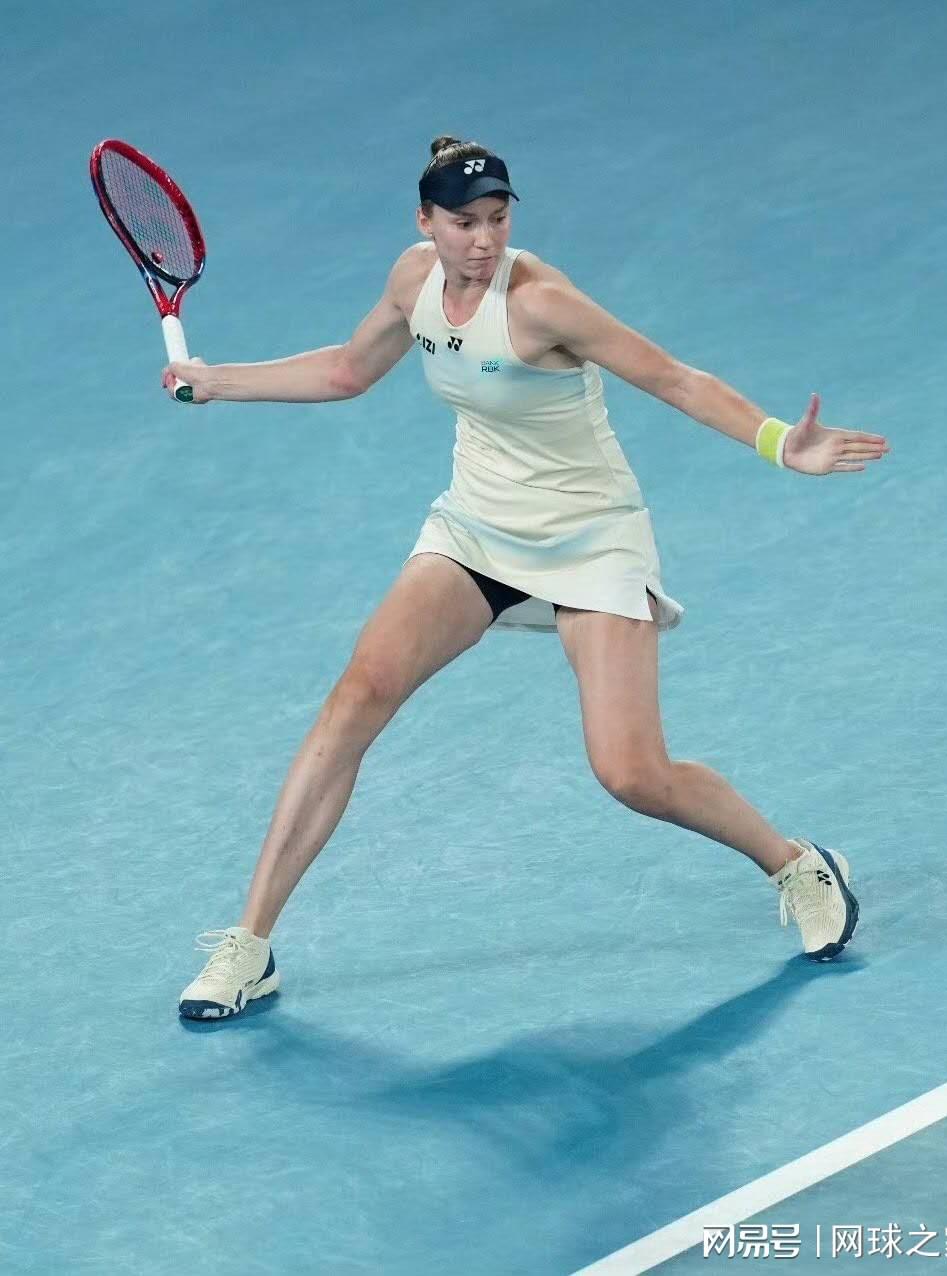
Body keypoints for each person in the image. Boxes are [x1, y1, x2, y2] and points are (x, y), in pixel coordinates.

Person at [169, 136, 888, 1020]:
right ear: (425, 222)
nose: (483, 240)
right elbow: (347, 370)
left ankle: (797, 865)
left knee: (631, 773)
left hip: (590, 540)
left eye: (498, 219)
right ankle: (249, 945)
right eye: (463, 222)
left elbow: (673, 378)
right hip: (476, 529)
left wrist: (780, 443)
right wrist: (219, 382)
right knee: (356, 698)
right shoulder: (412, 281)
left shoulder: (542, 302)